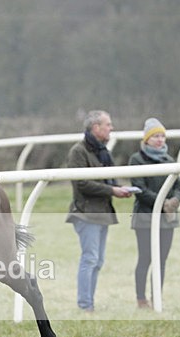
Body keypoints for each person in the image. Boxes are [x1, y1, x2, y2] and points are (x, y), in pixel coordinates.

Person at [65, 110, 133, 312]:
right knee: (90, 258)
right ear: (96, 128)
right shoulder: (78, 151)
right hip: (86, 212)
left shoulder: (102, 151)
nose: (111, 128)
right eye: (108, 124)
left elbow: (107, 178)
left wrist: (118, 188)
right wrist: (112, 190)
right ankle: (85, 305)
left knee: (98, 260)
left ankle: (89, 303)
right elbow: (82, 184)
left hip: (102, 211)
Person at [129, 118, 180, 308]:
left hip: (167, 219)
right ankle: (141, 299)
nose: (160, 140)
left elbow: (178, 186)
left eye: (162, 136)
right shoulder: (136, 160)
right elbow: (140, 189)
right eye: (156, 136)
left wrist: (174, 202)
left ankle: (157, 298)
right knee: (145, 258)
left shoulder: (169, 160)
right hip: (145, 217)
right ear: (147, 139)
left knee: (161, 260)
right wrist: (163, 203)